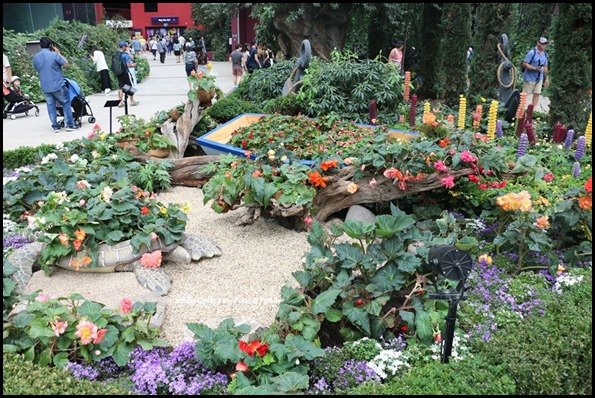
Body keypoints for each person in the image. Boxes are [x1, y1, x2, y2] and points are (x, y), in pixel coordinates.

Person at [32, 37, 78, 133]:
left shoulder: (36, 57)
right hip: (58, 84)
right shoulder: (53, 55)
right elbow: (66, 65)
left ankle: (55, 126)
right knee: (66, 103)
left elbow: (37, 69)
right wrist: (58, 53)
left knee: (51, 106)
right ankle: (69, 125)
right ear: (50, 45)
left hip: (45, 86)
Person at [522, 37, 550, 109]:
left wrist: (547, 78)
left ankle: (532, 112)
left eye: (545, 44)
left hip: (539, 78)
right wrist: (534, 68)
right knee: (524, 95)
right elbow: (524, 64)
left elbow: (546, 66)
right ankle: (520, 112)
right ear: (538, 43)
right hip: (529, 78)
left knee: (537, 94)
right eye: (542, 43)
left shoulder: (545, 54)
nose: (544, 45)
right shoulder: (532, 52)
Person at [115, 41, 139, 108]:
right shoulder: (125, 55)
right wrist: (133, 65)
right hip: (125, 72)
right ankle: (132, 101)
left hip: (119, 73)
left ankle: (120, 102)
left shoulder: (116, 54)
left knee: (120, 87)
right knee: (130, 87)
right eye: (125, 46)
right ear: (123, 47)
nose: (126, 47)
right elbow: (128, 65)